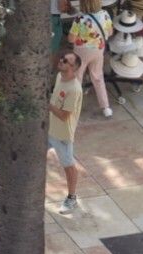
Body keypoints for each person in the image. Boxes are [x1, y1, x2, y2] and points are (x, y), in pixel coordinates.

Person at [48, 52, 84, 214]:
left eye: (65, 61)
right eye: (62, 58)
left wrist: (46, 104)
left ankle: (72, 198)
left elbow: (64, 116)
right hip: (48, 128)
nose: (61, 61)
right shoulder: (58, 77)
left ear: (74, 67)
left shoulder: (74, 89)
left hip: (62, 134)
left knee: (68, 165)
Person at [67, 0, 114, 118]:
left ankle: (73, 108)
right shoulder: (105, 14)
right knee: (98, 77)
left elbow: (71, 39)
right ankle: (106, 107)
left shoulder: (80, 18)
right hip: (98, 50)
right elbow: (110, 32)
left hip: (81, 52)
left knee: (77, 78)